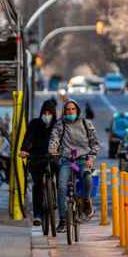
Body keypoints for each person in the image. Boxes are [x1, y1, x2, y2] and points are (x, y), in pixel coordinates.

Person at [48, 99, 100, 233]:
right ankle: (63, 220)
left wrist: (91, 158)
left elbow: (95, 143)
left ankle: (86, 200)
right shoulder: (60, 124)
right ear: (64, 111)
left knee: (87, 177)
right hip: (67, 161)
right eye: (68, 110)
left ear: (77, 110)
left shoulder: (86, 123)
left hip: (82, 160)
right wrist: (52, 149)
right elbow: (54, 139)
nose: (70, 112)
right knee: (61, 186)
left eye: (73, 109)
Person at [20, 98, 57, 226]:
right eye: (44, 113)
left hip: (53, 157)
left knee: (61, 175)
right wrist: (24, 150)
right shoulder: (34, 124)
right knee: (38, 185)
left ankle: (56, 196)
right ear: (41, 113)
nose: (47, 116)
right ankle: (37, 214)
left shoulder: (58, 125)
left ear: (54, 114)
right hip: (37, 157)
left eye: (49, 114)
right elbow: (28, 138)